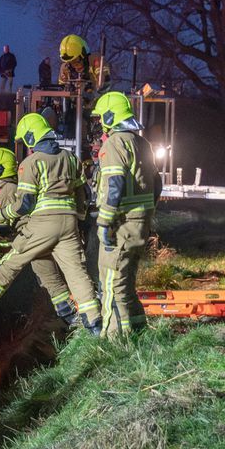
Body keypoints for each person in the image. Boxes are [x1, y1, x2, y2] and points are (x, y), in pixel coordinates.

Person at [0, 113, 101, 335]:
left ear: (31, 137)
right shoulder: (71, 159)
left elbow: (25, 204)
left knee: (11, 263)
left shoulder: (30, 163)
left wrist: (2, 214)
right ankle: (95, 325)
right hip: (69, 225)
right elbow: (83, 195)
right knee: (76, 273)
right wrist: (78, 220)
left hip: (42, 224)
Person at [0, 147, 77, 325]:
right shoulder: (13, 188)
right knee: (49, 276)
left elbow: (4, 225)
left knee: (4, 270)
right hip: (39, 236)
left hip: (29, 237)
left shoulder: (7, 191)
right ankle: (70, 316)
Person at [92, 91, 160, 339]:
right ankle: (139, 332)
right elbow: (157, 183)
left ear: (110, 117)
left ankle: (112, 342)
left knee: (111, 285)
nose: (100, 122)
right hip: (140, 223)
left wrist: (104, 222)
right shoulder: (143, 144)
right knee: (127, 285)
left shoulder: (114, 144)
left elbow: (115, 185)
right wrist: (146, 213)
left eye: (101, 118)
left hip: (121, 224)